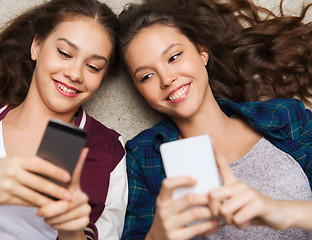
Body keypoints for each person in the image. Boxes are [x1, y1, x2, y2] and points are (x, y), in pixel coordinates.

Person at [118, 0, 312, 239]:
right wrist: (158, 234)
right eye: (147, 76)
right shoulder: (142, 156)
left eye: (174, 57)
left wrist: (280, 210)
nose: (167, 78)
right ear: (140, 90)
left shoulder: (285, 117)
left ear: (202, 53)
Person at [0, 0, 127, 239]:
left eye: (93, 67)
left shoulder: (109, 151)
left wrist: (70, 229)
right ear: (36, 46)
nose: (74, 74)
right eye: (65, 53)